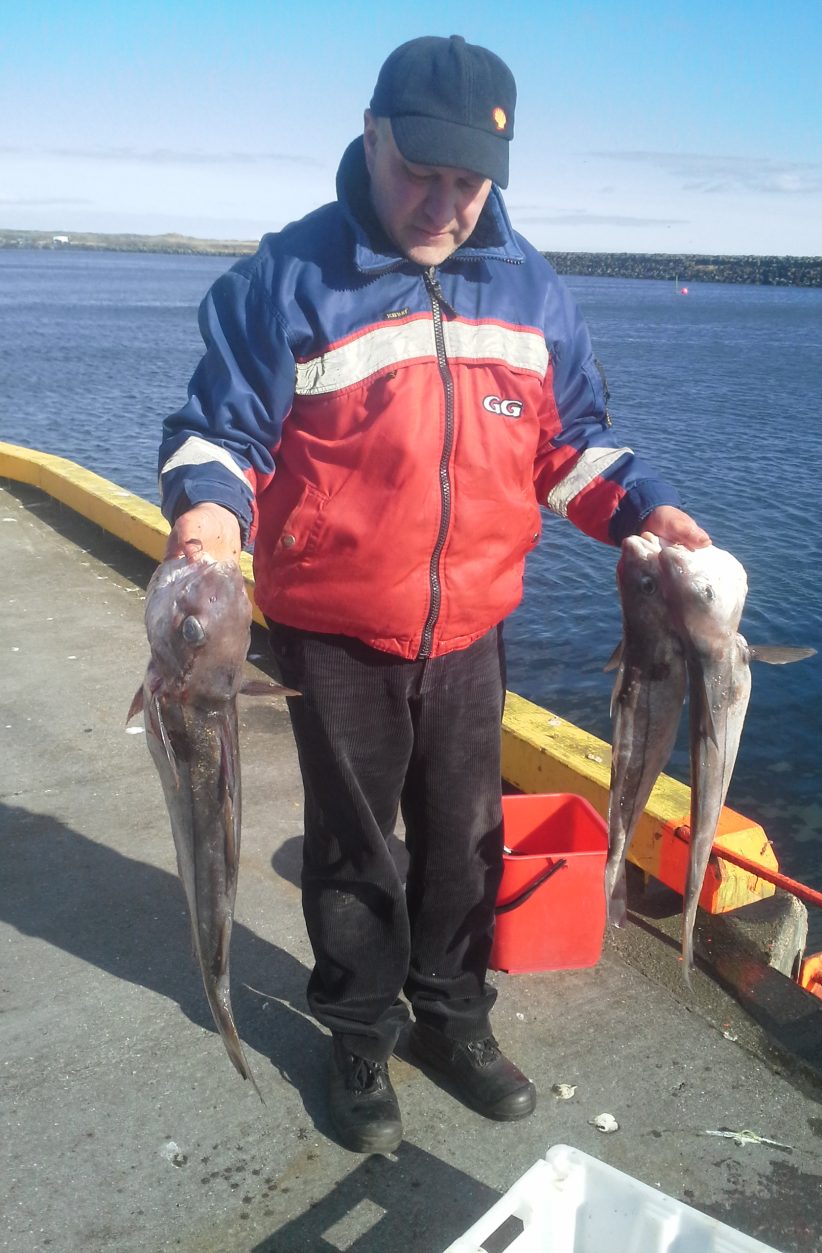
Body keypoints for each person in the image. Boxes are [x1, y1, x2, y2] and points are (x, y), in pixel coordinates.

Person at [159, 34, 710, 1154]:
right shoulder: (286, 278)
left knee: (462, 837)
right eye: (423, 173)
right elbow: (218, 430)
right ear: (373, 137)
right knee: (354, 849)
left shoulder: (532, 288)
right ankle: (359, 1030)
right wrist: (210, 512)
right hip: (334, 631)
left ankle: (453, 1016)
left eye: (469, 184)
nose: (444, 204)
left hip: (471, 623)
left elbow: (572, 451)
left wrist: (646, 507)